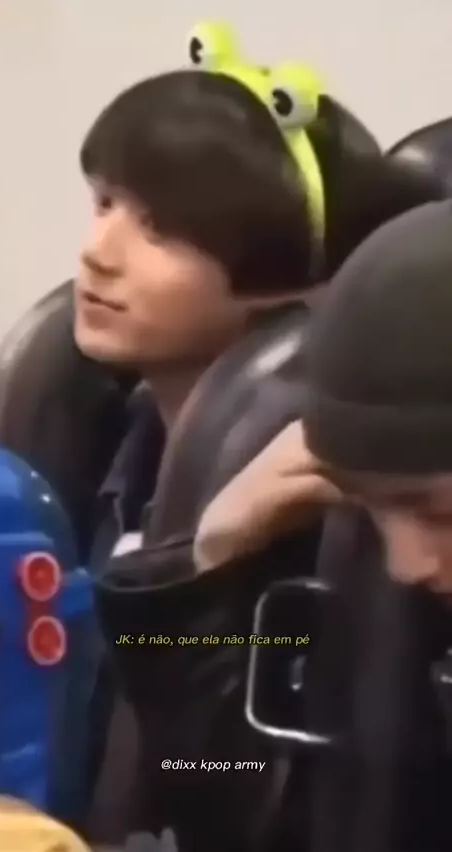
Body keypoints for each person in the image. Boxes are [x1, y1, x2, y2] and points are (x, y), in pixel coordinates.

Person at [73, 63, 445, 852]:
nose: (97, 252)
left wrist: (192, 582)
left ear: (286, 277)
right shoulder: (90, 440)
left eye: (161, 231)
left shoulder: (326, 525)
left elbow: (220, 794)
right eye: (103, 203)